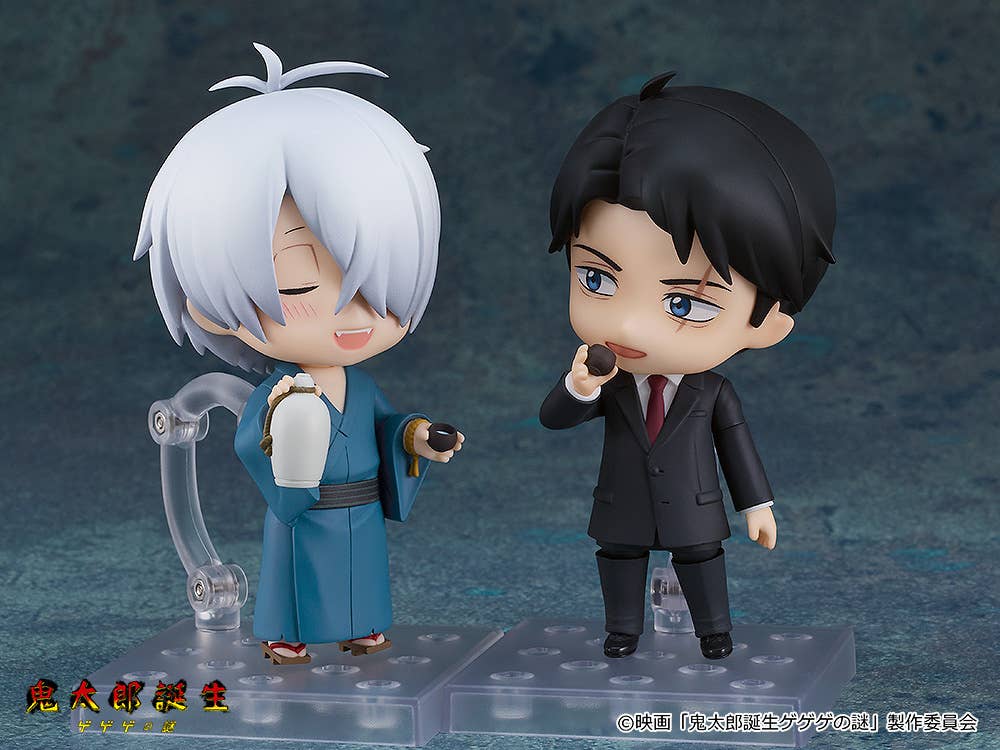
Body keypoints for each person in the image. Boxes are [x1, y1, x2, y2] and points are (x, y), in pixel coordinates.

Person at [134, 43, 462, 664]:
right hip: (305, 509)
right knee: (296, 575)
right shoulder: (278, 395)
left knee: (362, 577)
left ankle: (362, 627)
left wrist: (417, 436)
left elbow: (385, 426)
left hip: (362, 510)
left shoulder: (360, 390)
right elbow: (249, 442)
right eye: (303, 289)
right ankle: (284, 634)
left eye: (374, 285)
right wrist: (290, 459)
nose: (354, 314)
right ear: (208, 305)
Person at [540, 72, 836, 660]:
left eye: (685, 304)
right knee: (618, 561)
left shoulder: (713, 393)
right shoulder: (606, 379)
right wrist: (579, 386)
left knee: (702, 562)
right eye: (595, 278)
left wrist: (756, 504)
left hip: (695, 511)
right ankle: (622, 630)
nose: (628, 326)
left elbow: (737, 449)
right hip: (621, 508)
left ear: (768, 324)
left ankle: (714, 630)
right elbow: (555, 418)